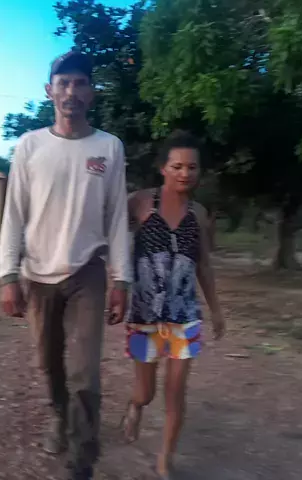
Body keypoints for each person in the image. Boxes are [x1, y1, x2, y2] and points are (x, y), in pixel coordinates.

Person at [0, 50, 131, 480]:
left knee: (84, 372)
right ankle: (59, 416)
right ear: (49, 91)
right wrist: (8, 275)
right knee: (49, 363)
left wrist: (122, 279)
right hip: (38, 274)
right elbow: (14, 213)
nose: (71, 91)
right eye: (64, 83)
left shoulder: (109, 147)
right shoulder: (30, 145)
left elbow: (117, 216)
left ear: (92, 93)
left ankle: (82, 457)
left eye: (80, 83)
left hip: (87, 271)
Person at [121, 130, 225, 479]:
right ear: (162, 168)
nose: (185, 173)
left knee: (176, 392)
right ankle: (135, 406)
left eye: (192, 167)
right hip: (143, 317)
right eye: (177, 166)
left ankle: (165, 458)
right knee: (146, 392)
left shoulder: (199, 213)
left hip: (185, 317)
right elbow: (113, 240)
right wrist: (114, 286)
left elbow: (204, 265)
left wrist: (216, 310)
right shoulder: (139, 202)